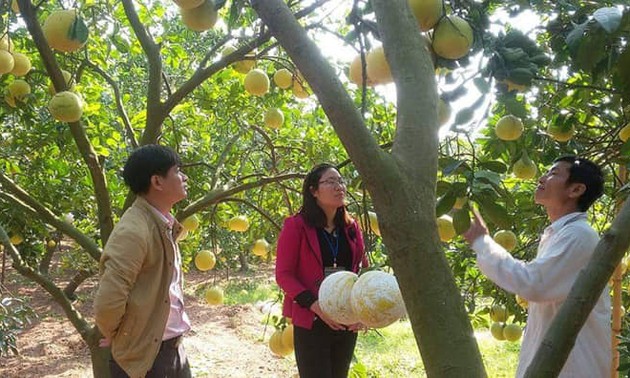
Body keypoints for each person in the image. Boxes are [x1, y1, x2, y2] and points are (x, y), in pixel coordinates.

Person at [463, 155, 611, 377]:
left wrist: (482, 242)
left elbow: (533, 284)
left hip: (575, 367)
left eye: (553, 173)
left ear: (576, 189)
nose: (542, 177)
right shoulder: (560, 234)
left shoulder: (579, 236)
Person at [94, 144, 192, 378]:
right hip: (148, 359)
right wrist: (118, 334)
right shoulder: (134, 231)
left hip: (171, 349)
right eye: (177, 171)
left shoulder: (162, 223)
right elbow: (109, 300)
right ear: (157, 182)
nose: (184, 177)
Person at [276, 163, 369, 378]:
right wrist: (316, 306)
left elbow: (361, 271)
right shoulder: (296, 226)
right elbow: (284, 274)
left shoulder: (351, 228)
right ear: (313, 191)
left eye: (340, 181)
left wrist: (363, 312)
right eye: (330, 182)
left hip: (345, 320)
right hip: (313, 319)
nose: (339, 187)